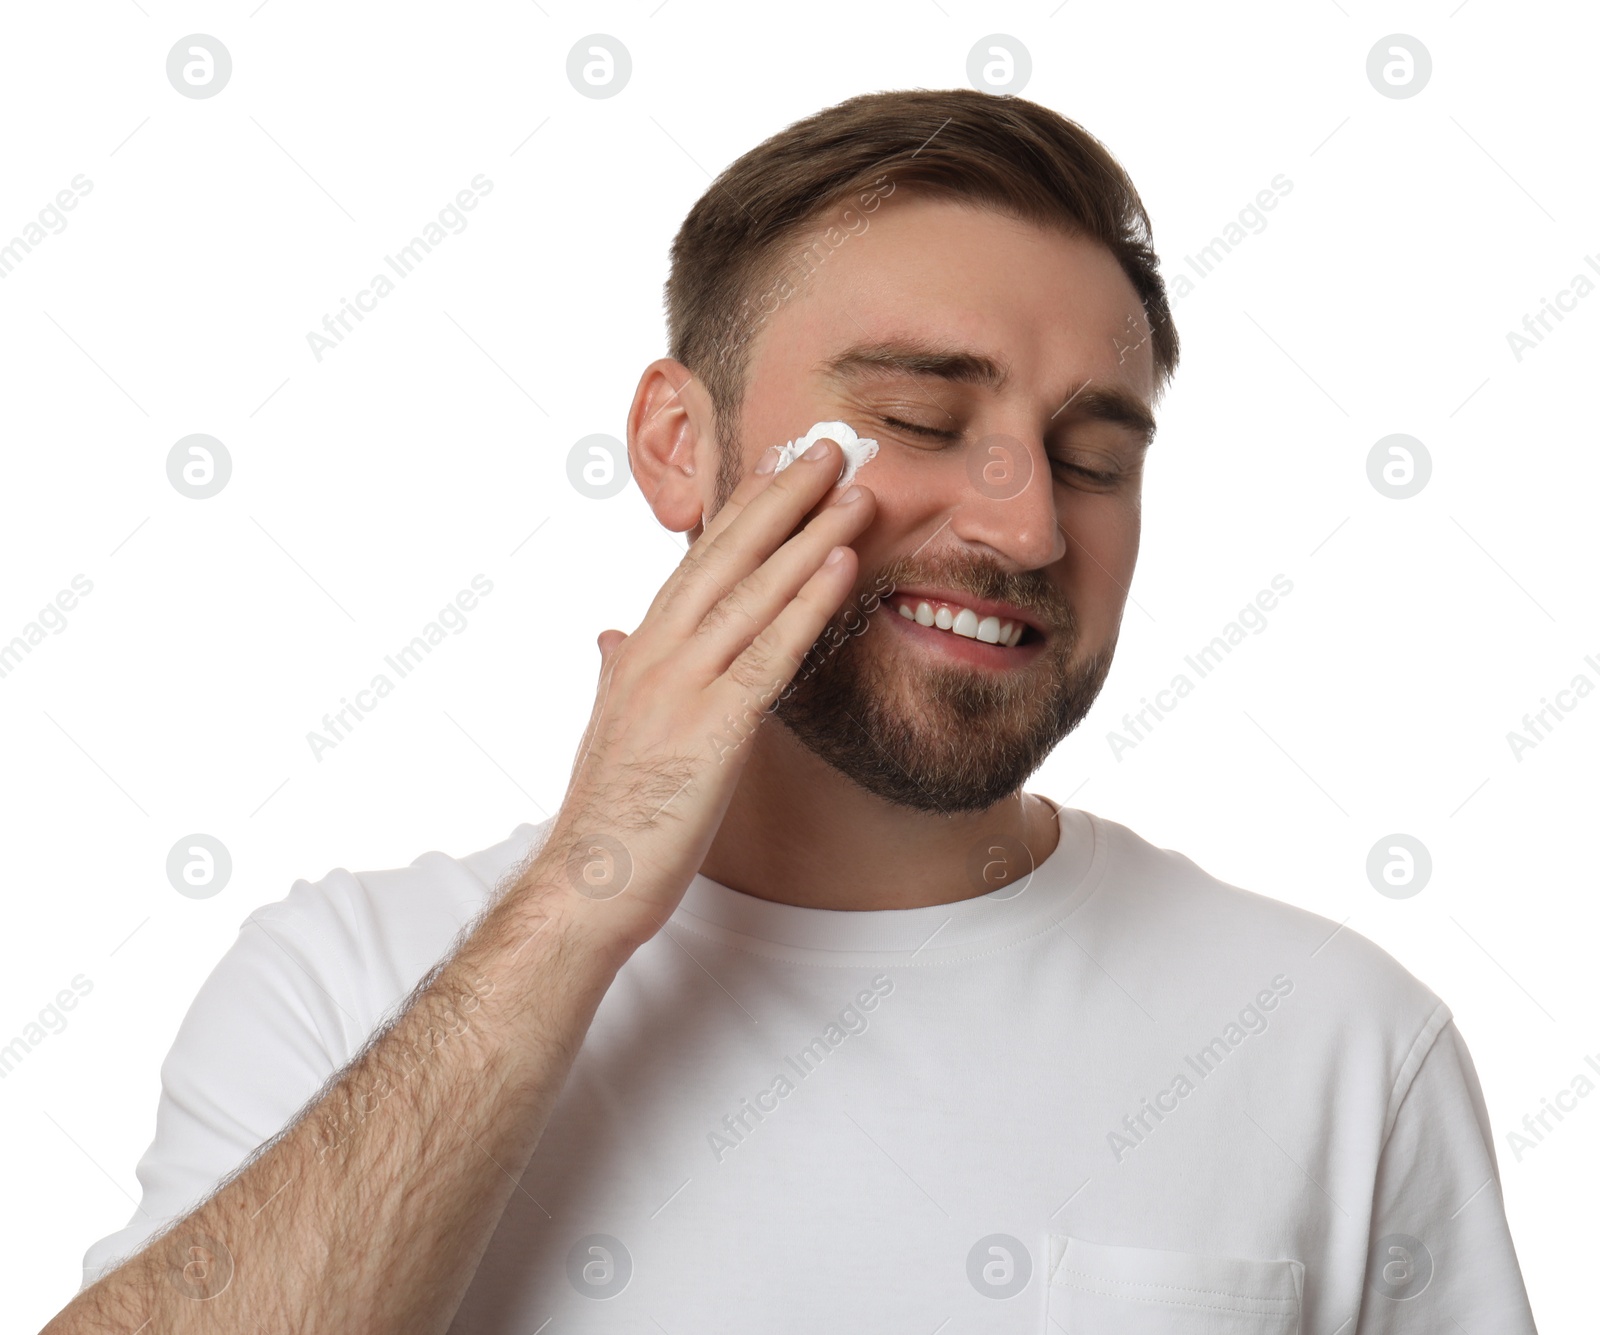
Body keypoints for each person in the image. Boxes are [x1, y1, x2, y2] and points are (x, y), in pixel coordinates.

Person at [50, 88, 1536, 1334]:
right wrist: (583, 898)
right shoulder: (341, 982)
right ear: (680, 448)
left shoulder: (1336, 1042)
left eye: (1092, 456)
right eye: (918, 420)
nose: (1025, 532)